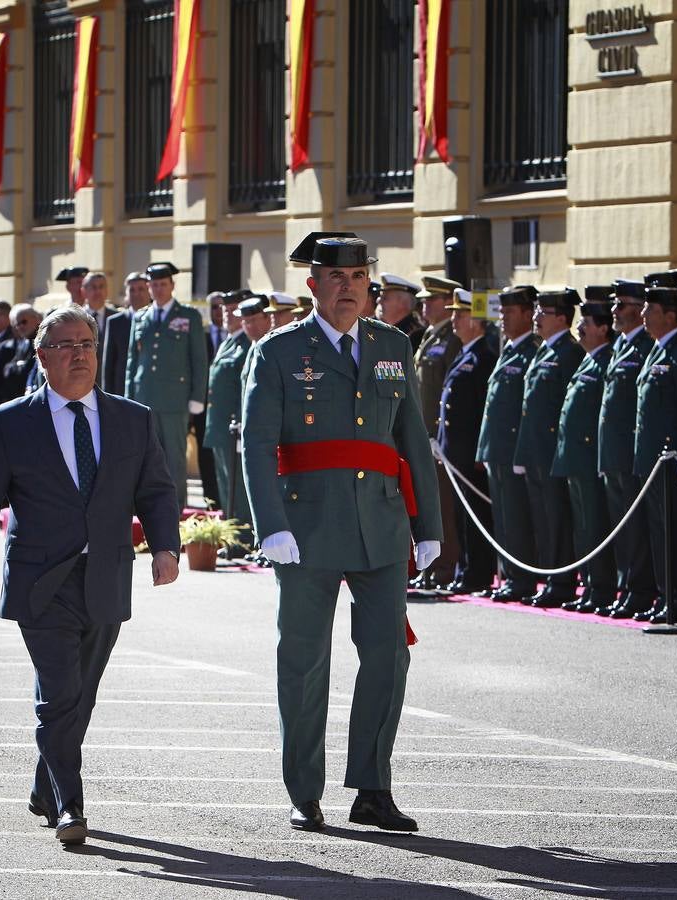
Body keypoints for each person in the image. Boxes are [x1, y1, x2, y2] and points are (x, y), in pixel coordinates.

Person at [0, 304, 180, 846]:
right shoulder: (10, 422)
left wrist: (166, 547)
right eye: (66, 346)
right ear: (41, 357)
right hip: (39, 580)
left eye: (87, 345)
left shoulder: (132, 417)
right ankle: (69, 806)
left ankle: (44, 785)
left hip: (104, 575)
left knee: (82, 695)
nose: (79, 355)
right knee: (59, 695)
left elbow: (155, 488)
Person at [242, 235, 442, 833]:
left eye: (359, 275)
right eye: (337, 276)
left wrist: (427, 524)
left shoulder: (391, 345)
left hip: (380, 524)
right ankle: (305, 789)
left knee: (388, 655)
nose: (349, 286)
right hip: (305, 527)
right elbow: (255, 443)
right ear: (313, 285)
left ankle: (372, 788)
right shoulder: (280, 351)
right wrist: (270, 525)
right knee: (304, 661)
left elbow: (413, 438)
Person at [633, 279, 677, 627]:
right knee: (660, 532)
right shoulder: (658, 349)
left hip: (672, 459)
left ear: (669, 314)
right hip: (652, 461)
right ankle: (666, 597)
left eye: (651, 309)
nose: (643, 314)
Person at [515, 289, 583, 607]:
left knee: (557, 519)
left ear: (562, 317)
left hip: (553, 451)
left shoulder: (569, 352)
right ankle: (550, 577)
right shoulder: (544, 350)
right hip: (536, 450)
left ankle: (563, 581)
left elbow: (569, 409)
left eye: (544, 312)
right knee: (544, 519)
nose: (537, 317)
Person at [553, 292, 618, 613]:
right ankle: (591, 586)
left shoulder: (607, 360)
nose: (579, 328)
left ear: (603, 329)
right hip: (576, 458)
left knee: (595, 526)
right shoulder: (589, 359)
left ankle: (603, 588)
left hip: (591, 458)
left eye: (586, 323)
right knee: (583, 528)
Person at [124, 261, 208, 509]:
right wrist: (128, 397)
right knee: (144, 458)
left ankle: (174, 510)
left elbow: (199, 360)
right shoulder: (140, 317)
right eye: (154, 285)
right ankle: (147, 508)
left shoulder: (188, 316)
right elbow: (132, 361)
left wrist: (197, 397)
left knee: (174, 460)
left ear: (172, 285)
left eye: (163, 284)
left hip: (175, 400)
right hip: (144, 397)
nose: (158, 289)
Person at [476, 285, 540, 602]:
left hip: (515, 449)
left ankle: (523, 578)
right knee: (503, 518)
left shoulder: (531, 351)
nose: (502, 317)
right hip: (498, 449)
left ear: (528, 315)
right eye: (501, 311)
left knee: (517, 518)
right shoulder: (511, 349)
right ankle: (509, 576)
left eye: (509, 312)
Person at [597, 280, 657, 617]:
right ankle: (627, 587)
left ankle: (639, 589)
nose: (616, 312)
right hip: (614, 452)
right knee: (621, 527)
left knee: (635, 528)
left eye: (622, 306)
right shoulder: (621, 346)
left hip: (631, 452)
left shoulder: (645, 346)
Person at [436, 288, 498, 594]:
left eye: (460, 315)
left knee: (476, 517)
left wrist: (478, 451)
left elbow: (481, 409)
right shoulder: (465, 354)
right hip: (455, 452)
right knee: (461, 516)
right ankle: (464, 569)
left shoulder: (483, 357)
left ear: (477, 321)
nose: (454, 320)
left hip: (470, 452)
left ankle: (477, 572)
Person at [409, 275, 463, 590]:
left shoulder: (452, 340)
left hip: (437, 438)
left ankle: (445, 567)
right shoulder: (430, 336)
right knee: (425, 505)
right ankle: (429, 566)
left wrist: (435, 433)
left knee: (442, 506)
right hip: (423, 436)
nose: (425, 304)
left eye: (432, 299)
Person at [204, 295, 268, 551]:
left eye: (234, 311)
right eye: (226, 310)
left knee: (238, 488)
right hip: (221, 425)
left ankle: (241, 538)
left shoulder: (247, 344)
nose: (229, 316)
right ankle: (233, 536)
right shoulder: (229, 341)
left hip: (236, 426)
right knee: (226, 485)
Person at [100, 272, 147, 395]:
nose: (137, 294)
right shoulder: (115, 322)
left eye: (141, 289)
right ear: (126, 294)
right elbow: (108, 365)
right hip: (122, 391)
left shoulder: (157, 320)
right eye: (132, 290)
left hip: (150, 392)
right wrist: (107, 397)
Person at [375, 274, 425, 349]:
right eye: (380, 297)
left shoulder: (415, 336)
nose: (378, 301)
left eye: (385, 298)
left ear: (403, 303)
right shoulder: (384, 330)